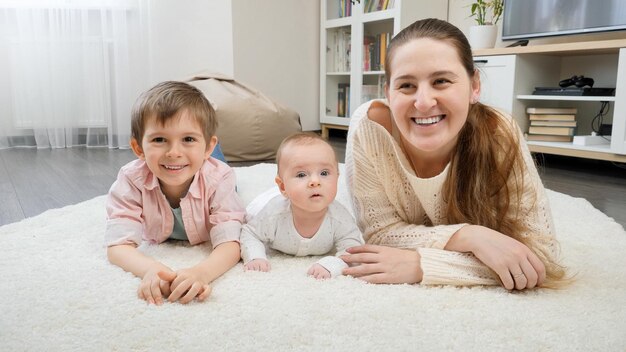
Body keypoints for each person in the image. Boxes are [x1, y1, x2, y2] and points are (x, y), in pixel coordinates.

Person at [341, 18, 568, 290]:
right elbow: (379, 234)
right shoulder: (369, 128)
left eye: (441, 81)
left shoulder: (499, 132)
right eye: (406, 86)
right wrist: (470, 236)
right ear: (388, 93)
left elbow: (541, 257)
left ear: (474, 87)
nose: (423, 102)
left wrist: (421, 264)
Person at [105, 81, 245, 305]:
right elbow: (117, 246)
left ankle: (212, 152)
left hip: (209, 169)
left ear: (207, 146)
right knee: (189, 157)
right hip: (196, 160)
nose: (173, 152)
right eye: (159, 140)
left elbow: (231, 242)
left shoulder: (219, 178)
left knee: (221, 170)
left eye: (187, 139)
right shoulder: (131, 179)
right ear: (138, 148)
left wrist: (202, 273)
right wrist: (152, 269)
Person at [240, 132, 363, 279]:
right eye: (301, 175)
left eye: (324, 173)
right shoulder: (272, 214)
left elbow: (353, 252)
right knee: (249, 213)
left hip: (291, 196)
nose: (315, 181)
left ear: (337, 177)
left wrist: (333, 264)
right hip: (272, 201)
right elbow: (250, 233)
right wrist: (255, 256)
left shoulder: (341, 218)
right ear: (283, 187)